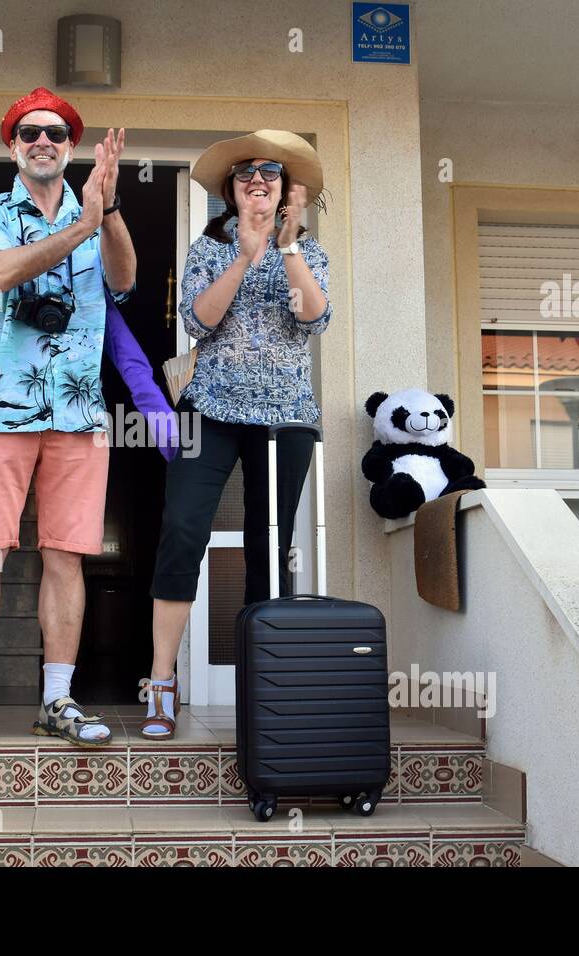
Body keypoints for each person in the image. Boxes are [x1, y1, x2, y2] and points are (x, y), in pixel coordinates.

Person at [0, 87, 136, 758]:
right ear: (12, 147)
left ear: (72, 148)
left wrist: (111, 210)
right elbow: (0, 273)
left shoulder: (94, 213)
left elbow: (126, 279)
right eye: (28, 132)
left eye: (55, 132)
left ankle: (57, 702)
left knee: (66, 558)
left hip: (78, 415)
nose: (42, 140)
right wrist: (79, 227)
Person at [141, 130, 332, 739]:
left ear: (285, 191)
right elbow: (198, 321)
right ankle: (162, 681)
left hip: (286, 418)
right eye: (246, 172)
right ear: (230, 188)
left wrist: (287, 246)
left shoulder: (309, 252)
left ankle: (263, 686)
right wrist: (246, 255)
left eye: (270, 173)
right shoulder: (208, 248)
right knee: (181, 531)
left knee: (268, 546)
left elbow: (314, 316)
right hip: (210, 410)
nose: (257, 179)